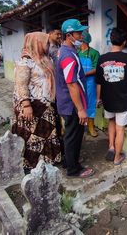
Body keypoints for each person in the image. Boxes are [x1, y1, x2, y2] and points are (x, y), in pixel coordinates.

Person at [11, 32, 61, 170]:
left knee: (46, 133)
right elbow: (21, 85)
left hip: (45, 105)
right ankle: (32, 164)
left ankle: (47, 161)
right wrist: (26, 105)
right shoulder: (25, 61)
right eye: (45, 42)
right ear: (36, 43)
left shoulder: (44, 58)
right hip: (32, 106)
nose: (47, 45)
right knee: (34, 136)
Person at [56, 18, 94, 178]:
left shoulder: (65, 51)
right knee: (74, 136)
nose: (81, 36)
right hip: (72, 105)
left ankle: (68, 161)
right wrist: (80, 110)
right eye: (79, 33)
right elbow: (71, 84)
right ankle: (74, 169)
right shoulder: (68, 57)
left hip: (67, 103)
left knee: (70, 135)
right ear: (69, 35)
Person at [96, 28, 127, 165]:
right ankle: (117, 157)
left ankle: (111, 147)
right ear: (124, 42)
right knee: (120, 128)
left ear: (111, 40)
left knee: (111, 122)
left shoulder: (102, 58)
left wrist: (98, 98)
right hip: (123, 99)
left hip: (108, 99)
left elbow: (99, 82)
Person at [78, 30, 100, 137]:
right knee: (79, 103)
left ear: (83, 40)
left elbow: (96, 68)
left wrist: (84, 74)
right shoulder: (76, 52)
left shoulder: (94, 53)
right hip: (78, 82)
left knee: (90, 104)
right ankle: (80, 127)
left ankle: (91, 127)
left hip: (90, 83)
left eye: (79, 39)